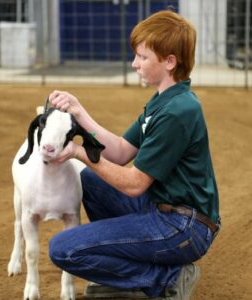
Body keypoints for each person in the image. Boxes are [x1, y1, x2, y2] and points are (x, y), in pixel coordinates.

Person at [48, 10, 220, 299]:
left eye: (142, 57)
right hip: (165, 210)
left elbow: (134, 183)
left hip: (183, 228)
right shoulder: (165, 101)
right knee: (91, 180)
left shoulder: (178, 112)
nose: (134, 64)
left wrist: (79, 151)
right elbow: (119, 152)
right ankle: (126, 280)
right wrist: (80, 113)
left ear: (169, 62)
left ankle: (167, 278)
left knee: (63, 249)